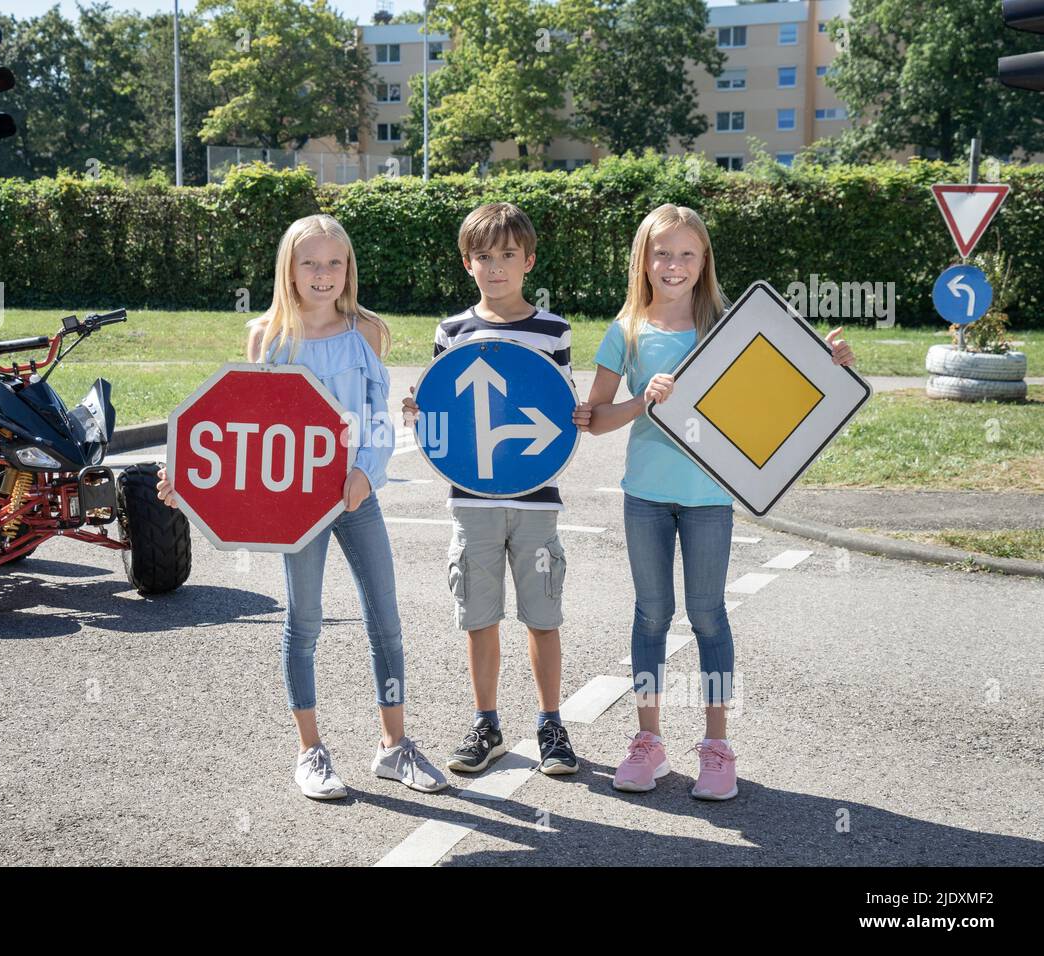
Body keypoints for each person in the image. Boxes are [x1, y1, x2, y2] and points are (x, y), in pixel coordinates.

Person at [157, 214, 448, 800]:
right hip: (296, 511)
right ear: (288, 268)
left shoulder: (366, 331)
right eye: (309, 263)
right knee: (305, 621)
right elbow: (246, 426)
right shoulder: (267, 336)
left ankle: (394, 747)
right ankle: (311, 751)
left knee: (385, 617)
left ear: (349, 269)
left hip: (355, 497)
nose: (322, 275)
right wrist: (188, 481)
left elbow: (377, 419)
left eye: (334, 263)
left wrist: (366, 470)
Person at [574, 204, 855, 800]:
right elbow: (593, 421)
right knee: (651, 616)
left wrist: (829, 364)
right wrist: (642, 402)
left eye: (686, 254)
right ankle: (648, 744)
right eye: (661, 253)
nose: (673, 265)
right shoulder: (625, 331)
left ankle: (717, 749)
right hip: (645, 496)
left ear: (704, 262)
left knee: (708, 617)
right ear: (642, 260)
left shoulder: (729, 325)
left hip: (709, 498)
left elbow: (785, 387)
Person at [403, 202, 580, 777]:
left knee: (542, 617)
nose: (496, 267)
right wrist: (417, 411)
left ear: (529, 260)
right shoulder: (451, 331)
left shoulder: (554, 330)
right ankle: (487, 723)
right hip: (471, 500)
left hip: (534, 500)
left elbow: (560, 406)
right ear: (467, 264)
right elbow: (442, 412)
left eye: (508, 255)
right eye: (484, 256)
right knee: (479, 617)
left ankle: (551, 723)